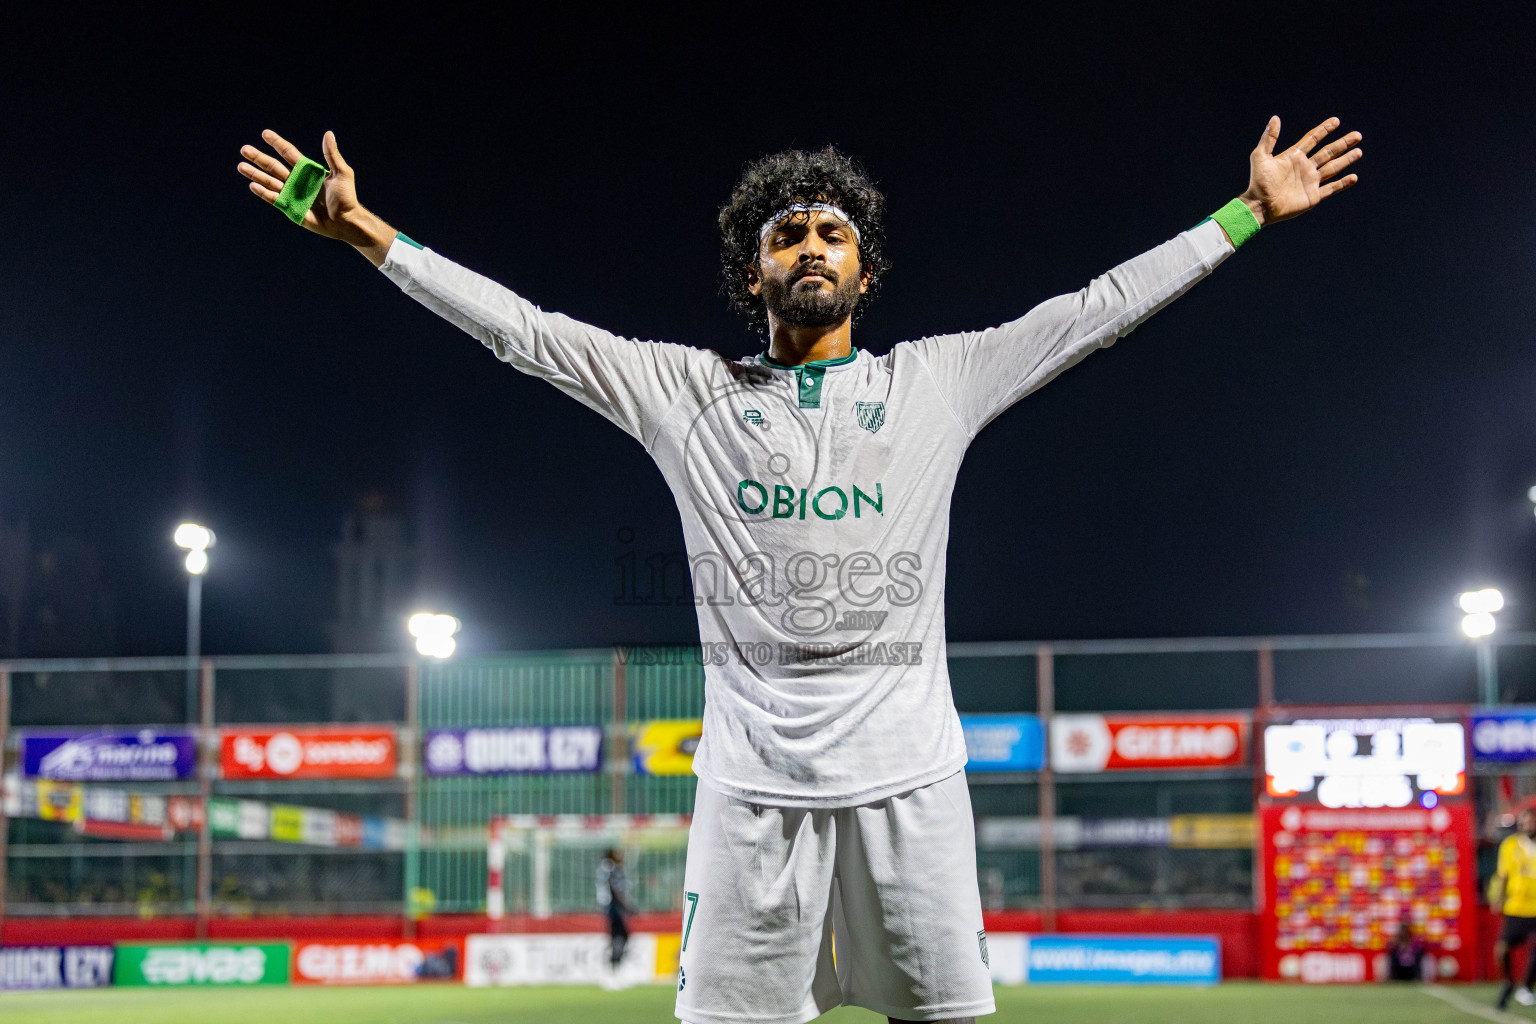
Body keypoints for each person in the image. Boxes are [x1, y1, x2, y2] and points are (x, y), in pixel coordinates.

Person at [238, 116, 1360, 1024]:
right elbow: (525, 333)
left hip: (911, 781)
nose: (812, 244)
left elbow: (1095, 314)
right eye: (787, 234)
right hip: (750, 795)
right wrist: (372, 236)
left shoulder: (937, 383)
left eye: (833, 231)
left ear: (865, 269)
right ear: (754, 271)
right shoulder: (685, 394)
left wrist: (1247, 214)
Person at [1492, 806, 1536, 1007]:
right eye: (1524, 822)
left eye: (1530, 822)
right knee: (1502, 950)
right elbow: (1503, 875)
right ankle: (1509, 982)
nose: (1527, 826)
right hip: (1517, 906)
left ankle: (1526, 986)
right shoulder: (1510, 845)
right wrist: (1497, 898)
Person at [597, 846, 634, 986]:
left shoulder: (607, 867)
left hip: (612, 906)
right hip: (613, 907)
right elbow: (614, 888)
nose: (621, 855)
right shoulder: (610, 867)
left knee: (618, 937)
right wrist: (625, 906)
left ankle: (614, 970)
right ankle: (612, 971)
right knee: (619, 936)